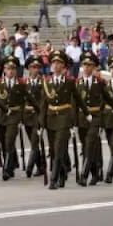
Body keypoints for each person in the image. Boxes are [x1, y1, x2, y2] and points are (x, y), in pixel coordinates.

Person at [43, 50, 79, 190]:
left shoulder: (69, 82)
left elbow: (77, 101)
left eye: (59, 63)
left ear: (64, 66)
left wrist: (74, 122)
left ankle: (54, 179)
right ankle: (63, 173)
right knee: (54, 150)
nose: (56, 65)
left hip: (64, 118)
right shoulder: (46, 82)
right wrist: (41, 123)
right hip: (51, 118)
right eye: (54, 63)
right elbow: (44, 104)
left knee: (58, 149)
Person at [74, 51, 109, 187]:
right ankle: (96, 172)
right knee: (88, 146)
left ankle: (84, 175)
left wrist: (102, 119)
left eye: (90, 65)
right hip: (82, 118)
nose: (87, 68)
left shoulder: (100, 83)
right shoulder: (77, 83)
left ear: (94, 67)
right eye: (85, 65)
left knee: (89, 145)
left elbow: (106, 101)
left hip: (95, 118)